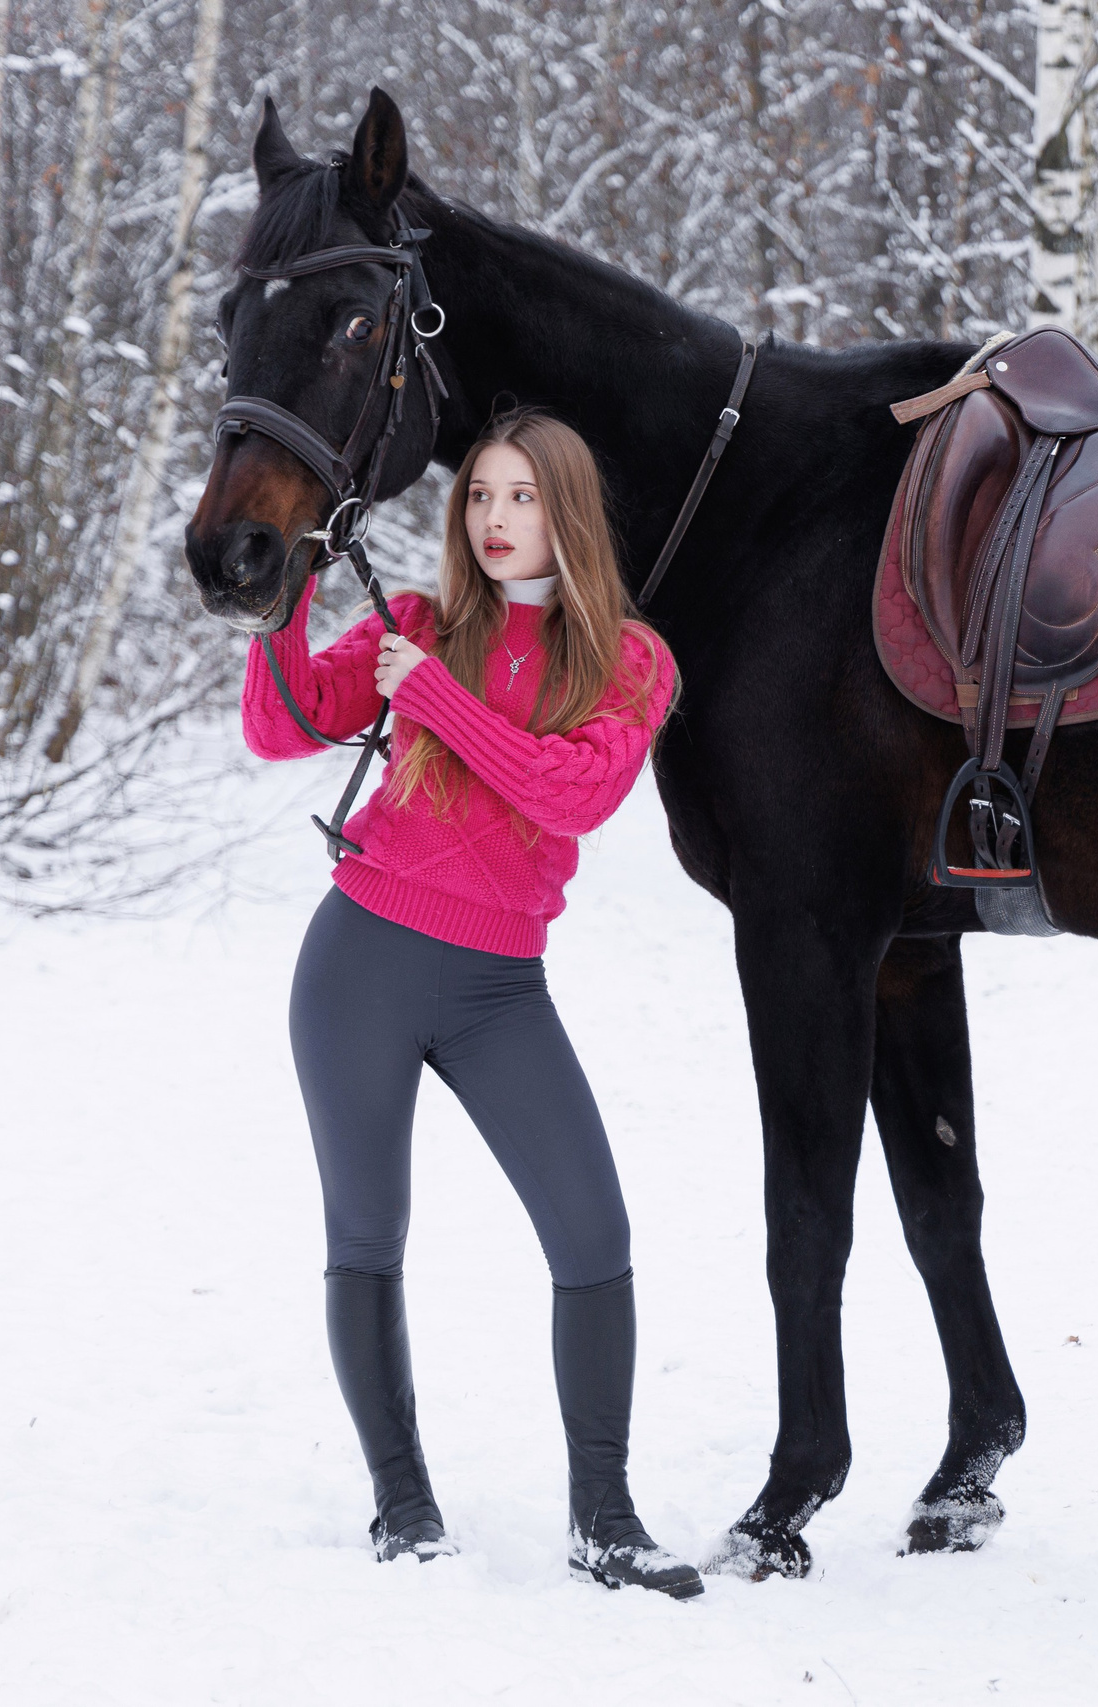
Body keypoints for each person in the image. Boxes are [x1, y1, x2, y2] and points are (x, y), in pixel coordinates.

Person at [242, 409, 697, 1598]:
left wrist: (436, 699)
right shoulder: (422, 622)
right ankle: (403, 1508)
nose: (494, 519)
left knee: (592, 1238)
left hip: (500, 990)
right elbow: (283, 724)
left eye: (521, 497)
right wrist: (283, 597)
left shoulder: (628, 661)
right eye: (479, 496)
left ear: (567, 512)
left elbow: (572, 795)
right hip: (360, 964)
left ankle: (605, 1520)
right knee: (366, 1237)